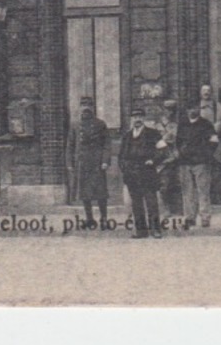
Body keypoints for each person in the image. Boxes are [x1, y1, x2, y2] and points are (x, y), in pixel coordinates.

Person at [118, 106, 165, 239]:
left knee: (151, 202)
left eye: (139, 117)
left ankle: (155, 230)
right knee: (136, 203)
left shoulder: (153, 134)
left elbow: (163, 150)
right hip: (132, 174)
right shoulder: (127, 136)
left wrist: (153, 160)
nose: (137, 120)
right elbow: (121, 155)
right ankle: (141, 230)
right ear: (131, 119)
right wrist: (124, 168)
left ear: (143, 118)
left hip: (147, 172)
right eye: (134, 117)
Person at [66, 95, 110, 229]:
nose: (86, 108)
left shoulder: (100, 124)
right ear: (80, 108)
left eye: (89, 105)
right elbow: (70, 145)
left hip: (97, 163)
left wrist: (105, 161)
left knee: (101, 193)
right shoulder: (75, 125)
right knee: (84, 193)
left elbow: (107, 144)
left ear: (93, 107)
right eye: (83, 105)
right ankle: (90, 219)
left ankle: (103, 219)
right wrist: (69, 163)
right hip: (82, 163)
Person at [175, 98, 219, 228]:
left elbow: (214, 142)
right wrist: (181, 153)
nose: (193, 111)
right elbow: (178, 142)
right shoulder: (182, 125)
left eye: (195, 108)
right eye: (190, 108)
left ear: (199, 109)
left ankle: (205, 217)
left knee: (203, 190)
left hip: (201, 163)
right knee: (187, 191)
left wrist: (205, 154)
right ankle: (189, 217)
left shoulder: (206, 124)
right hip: (185, 162)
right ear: (187, 111)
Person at [157, 98, 184, 219]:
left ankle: (178, 209)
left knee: (178, 183)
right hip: (163, 160)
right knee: (164, 185)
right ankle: (165, 209)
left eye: (173, 110)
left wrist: (178, 154)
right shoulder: (156, 126)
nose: (170, 112)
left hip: (176, 158)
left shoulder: (178, 125)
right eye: (168, 109)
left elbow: (180, 142)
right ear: (163, 110)